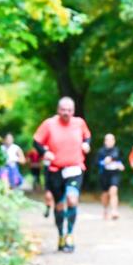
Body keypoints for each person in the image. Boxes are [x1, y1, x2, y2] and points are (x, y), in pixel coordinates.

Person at [33, 97, 92, 253]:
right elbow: (36, 141)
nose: (66, 113)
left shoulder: (79, 123)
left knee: (72, 199)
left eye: (69, 110)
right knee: (59, 205)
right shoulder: (49, 124)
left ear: (73, 111)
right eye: (63, 110)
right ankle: (60, 235)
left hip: (74, 167)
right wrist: (45, 152)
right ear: (58, 110)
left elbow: (87, 136)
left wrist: (86, 144)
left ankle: (70, 235)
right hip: (55, 170)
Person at [97, 133, 124, 220]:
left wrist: (120, 165)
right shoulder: (101, 151)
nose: (110, 142)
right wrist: (104, 162)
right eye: (108, 140)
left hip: (114, 174)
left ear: (114, 141)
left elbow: (120, 160)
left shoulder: (117, 150)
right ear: (105, 141)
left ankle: (114, 211)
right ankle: (105, 209)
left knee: (114, 191)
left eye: (112, 140)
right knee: (105, 194)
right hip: (104, 174)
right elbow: (96, 163)